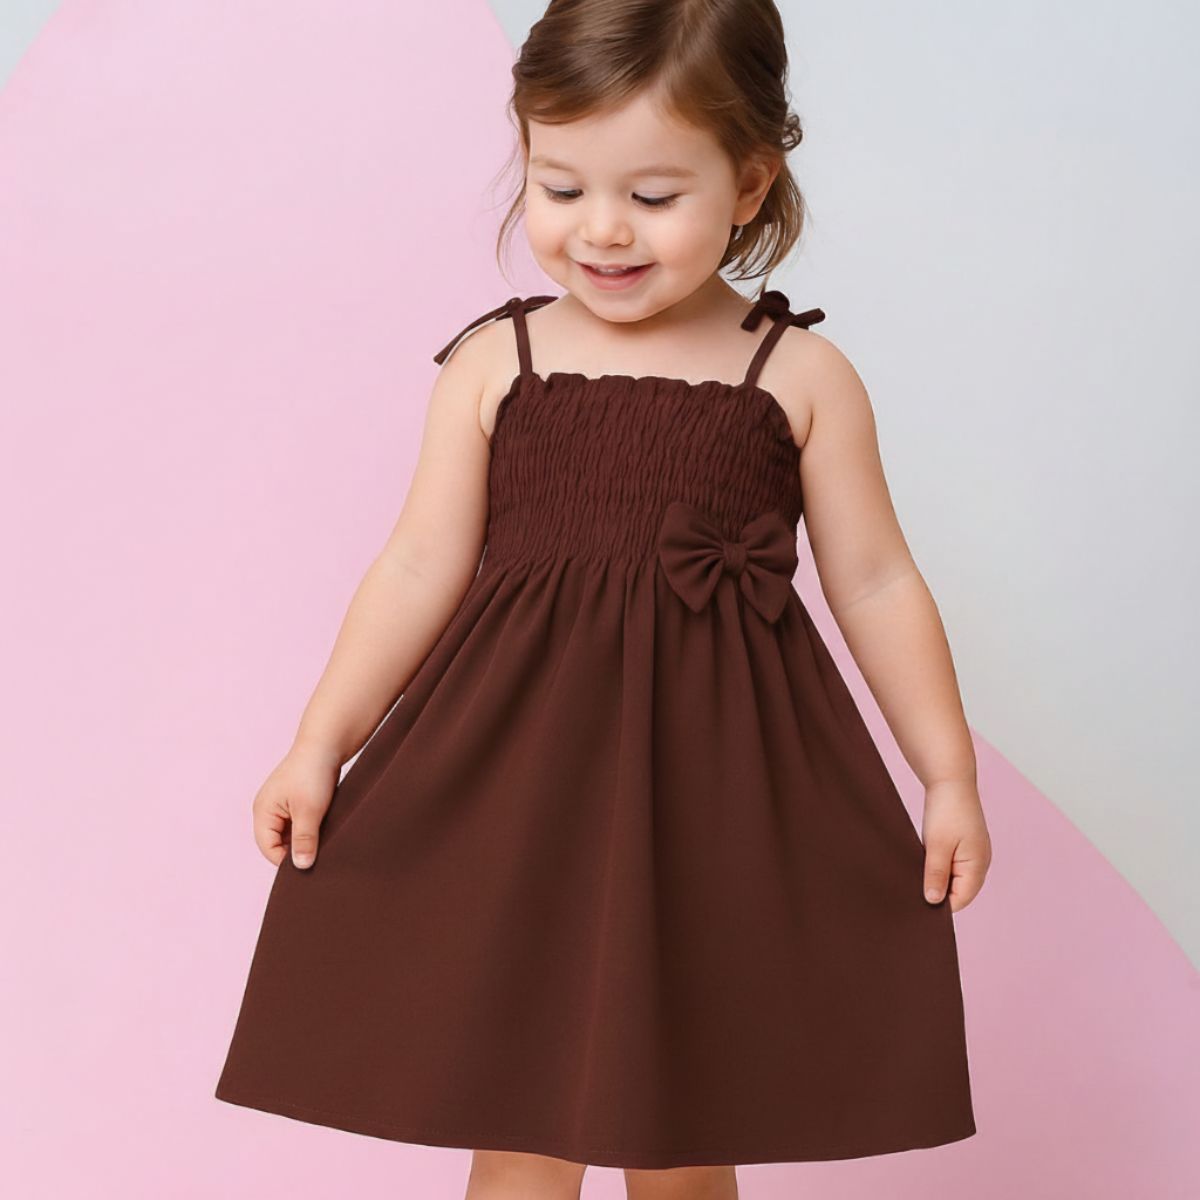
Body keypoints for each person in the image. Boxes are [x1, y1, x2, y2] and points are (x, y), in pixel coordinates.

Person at [214, 1, 993, 1196]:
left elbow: (877, 578)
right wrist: (320, 744)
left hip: (714, 805)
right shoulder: (497, 362)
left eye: (654, 195)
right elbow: (418, 564)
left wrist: (946, 774)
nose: (603, 230)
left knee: (685, 1123)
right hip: (522, 795)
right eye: (561, 187)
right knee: (518, 1117)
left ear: (749, 182)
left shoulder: (800, 375)